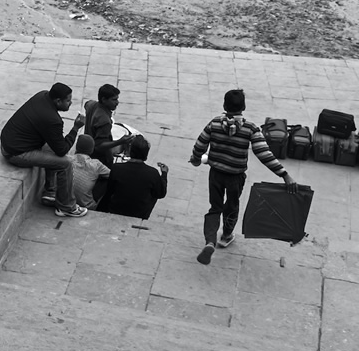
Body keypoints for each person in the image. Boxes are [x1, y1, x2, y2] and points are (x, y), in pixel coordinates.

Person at [189, 89, 297, 265]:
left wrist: (195, 159)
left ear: (224, 105)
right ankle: (226, 235)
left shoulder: (214, 123)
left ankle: (210, 241)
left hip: (216, 174)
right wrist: (284, 175)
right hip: (235, 177)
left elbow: (200, 144)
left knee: (214, 208)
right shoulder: (250, 128)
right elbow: (264, 154)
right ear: (244, 107)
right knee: (232, 205)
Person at [0, 82, 88, 217]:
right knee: (65, 163)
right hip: (16, 153)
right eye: (68, 100)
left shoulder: (42, 95)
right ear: (58, 101)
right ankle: (66, 206)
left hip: (9, 142)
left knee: (52, 147)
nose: (70, 103)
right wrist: (76, 128)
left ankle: (50, 192)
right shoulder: (52, 119)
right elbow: (62, 150)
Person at [99, 135, 167, 219]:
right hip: (139, 214)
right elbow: (161, 193)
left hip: (116, 210)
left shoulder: (116, 168)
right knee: (155, 189)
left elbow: (110, 190)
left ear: (130, 151)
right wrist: (164, 174)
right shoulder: (153, 173)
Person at [84, 84, 135, 167]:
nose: (117, 102)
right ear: (104, 99)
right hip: (100, 159)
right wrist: (120, 141)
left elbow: (86, 104)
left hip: (87, 149)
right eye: (114, 100)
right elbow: (99, 146)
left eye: (117, 99)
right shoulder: (104, 121)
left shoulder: (92, 105)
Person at [72, 134, 110, 210]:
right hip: (87, 206)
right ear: (91, 150)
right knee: (106, 179)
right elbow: (113, 175)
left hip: (64, 202)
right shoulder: (96, 164)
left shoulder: (67, 160)